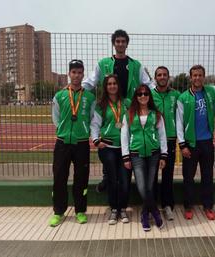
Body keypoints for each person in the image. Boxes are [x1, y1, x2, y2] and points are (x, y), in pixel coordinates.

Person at [82, 29, 154, 193]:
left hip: (128, 108)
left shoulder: (136, 65)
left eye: (123, 41)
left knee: (127, 147)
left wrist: (158, 92)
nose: (120, 44)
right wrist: (75, 88)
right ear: (114, 44)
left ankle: (121, 188)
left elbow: (148, 84)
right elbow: (91, 81)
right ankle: (108, 179)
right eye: (117, 41)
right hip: (109, 107)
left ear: (127, 44)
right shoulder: (103, 64)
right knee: (109, 148)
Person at [49, 59, 96, 227]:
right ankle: (58, 212)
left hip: (82, 143)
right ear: (69, 74)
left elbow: (92, 118)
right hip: (62, 143)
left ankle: (80, 211)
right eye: (73, 72)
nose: (76, 75)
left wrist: (82, 130)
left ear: (83, 74)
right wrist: (64, 130)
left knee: (81, 178)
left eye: (79, 72)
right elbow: (56, 118)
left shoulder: (90, 97)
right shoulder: (60, 95)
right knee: (59, 177)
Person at [121, 84, 167, 232]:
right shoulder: (128, 114)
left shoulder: (156, 114)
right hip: (136, 155)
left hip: (154, 154)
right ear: (136, 96)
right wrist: (126, 157)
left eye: (146, 93)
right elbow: (124, 136)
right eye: (140, 94)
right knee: (142, 187)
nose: (143, 96)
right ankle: (154, 211)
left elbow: (162, 135)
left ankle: (144, 215)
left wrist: (164, 155)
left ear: (149, 96)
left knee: (150, 186)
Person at [176, 65, 215, 220]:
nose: (197, 78)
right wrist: (182, 145)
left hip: (206, 142)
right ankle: (188, 206)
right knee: (188, 177)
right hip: (190, 144)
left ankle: (208, 206)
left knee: (208, 176)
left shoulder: (211, 92)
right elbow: (179, 122)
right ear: (190, 77)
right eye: (195, 75)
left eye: (200, 75)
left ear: (204, 77)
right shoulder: (183, 97)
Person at [91, 74, 131, 225]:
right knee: (113, 180)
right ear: (105, 87)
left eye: (114, 83)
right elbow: (95, 124)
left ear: (118, 86)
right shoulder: (101, 104)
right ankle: (114, 209)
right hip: (107, 147)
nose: (112, 86)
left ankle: (123, 209)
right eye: (109, 84)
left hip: (125, 148)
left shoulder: (126, 102)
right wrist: (96, 140)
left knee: (125, 181)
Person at [151, 66, 180, 221]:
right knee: (153, 175)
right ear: (155, 78)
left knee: (168, 175)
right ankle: (153, 206)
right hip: (153, 141)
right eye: (159, 75)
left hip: (169, 139)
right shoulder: (149, 95)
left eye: (164, 75)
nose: (162, 77)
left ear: (168, 77)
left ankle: (167, 205)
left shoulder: (176, 95)